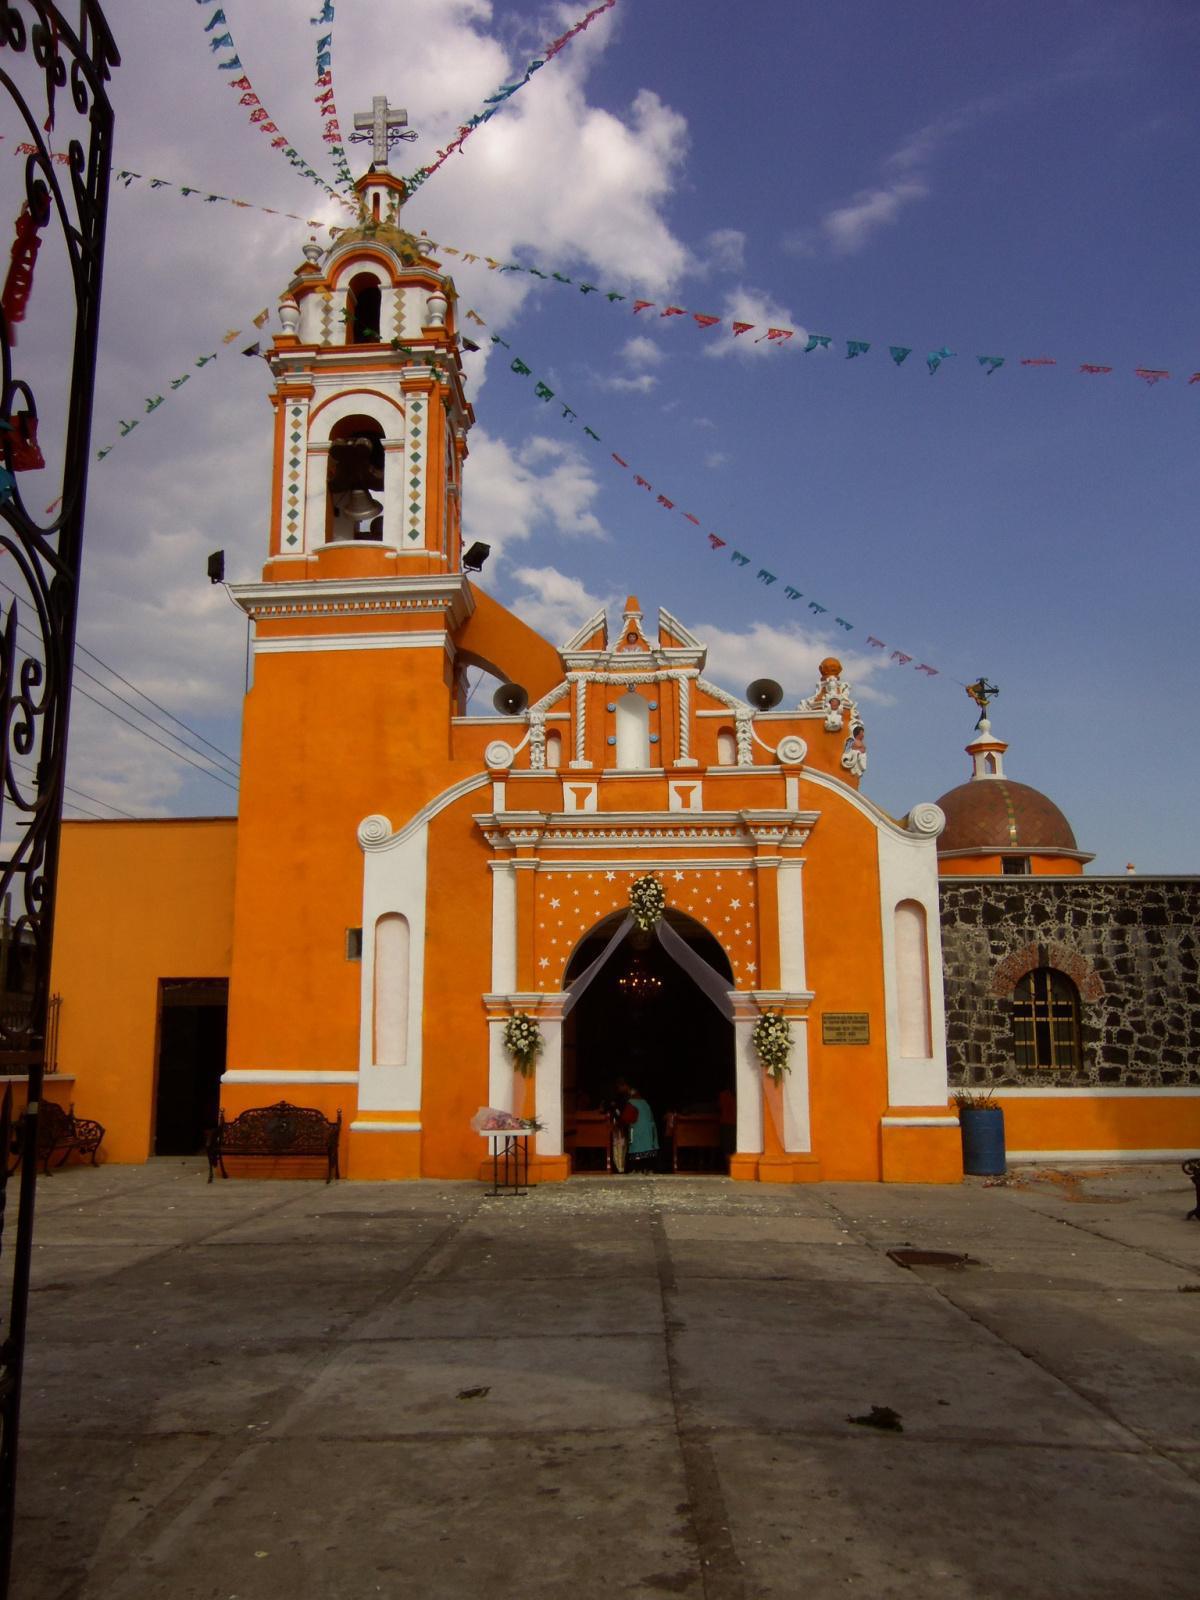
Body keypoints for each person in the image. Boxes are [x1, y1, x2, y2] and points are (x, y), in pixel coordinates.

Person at [614, 1078, 658, 1174]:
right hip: (648, 1132)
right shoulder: (645, 1103)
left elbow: (626, 1119)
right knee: (647, 1150)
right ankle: (647, 1169)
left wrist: (618, 1122)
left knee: (637, 1149)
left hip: (638, 1131)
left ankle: (637, 1169)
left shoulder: (633, 1103)